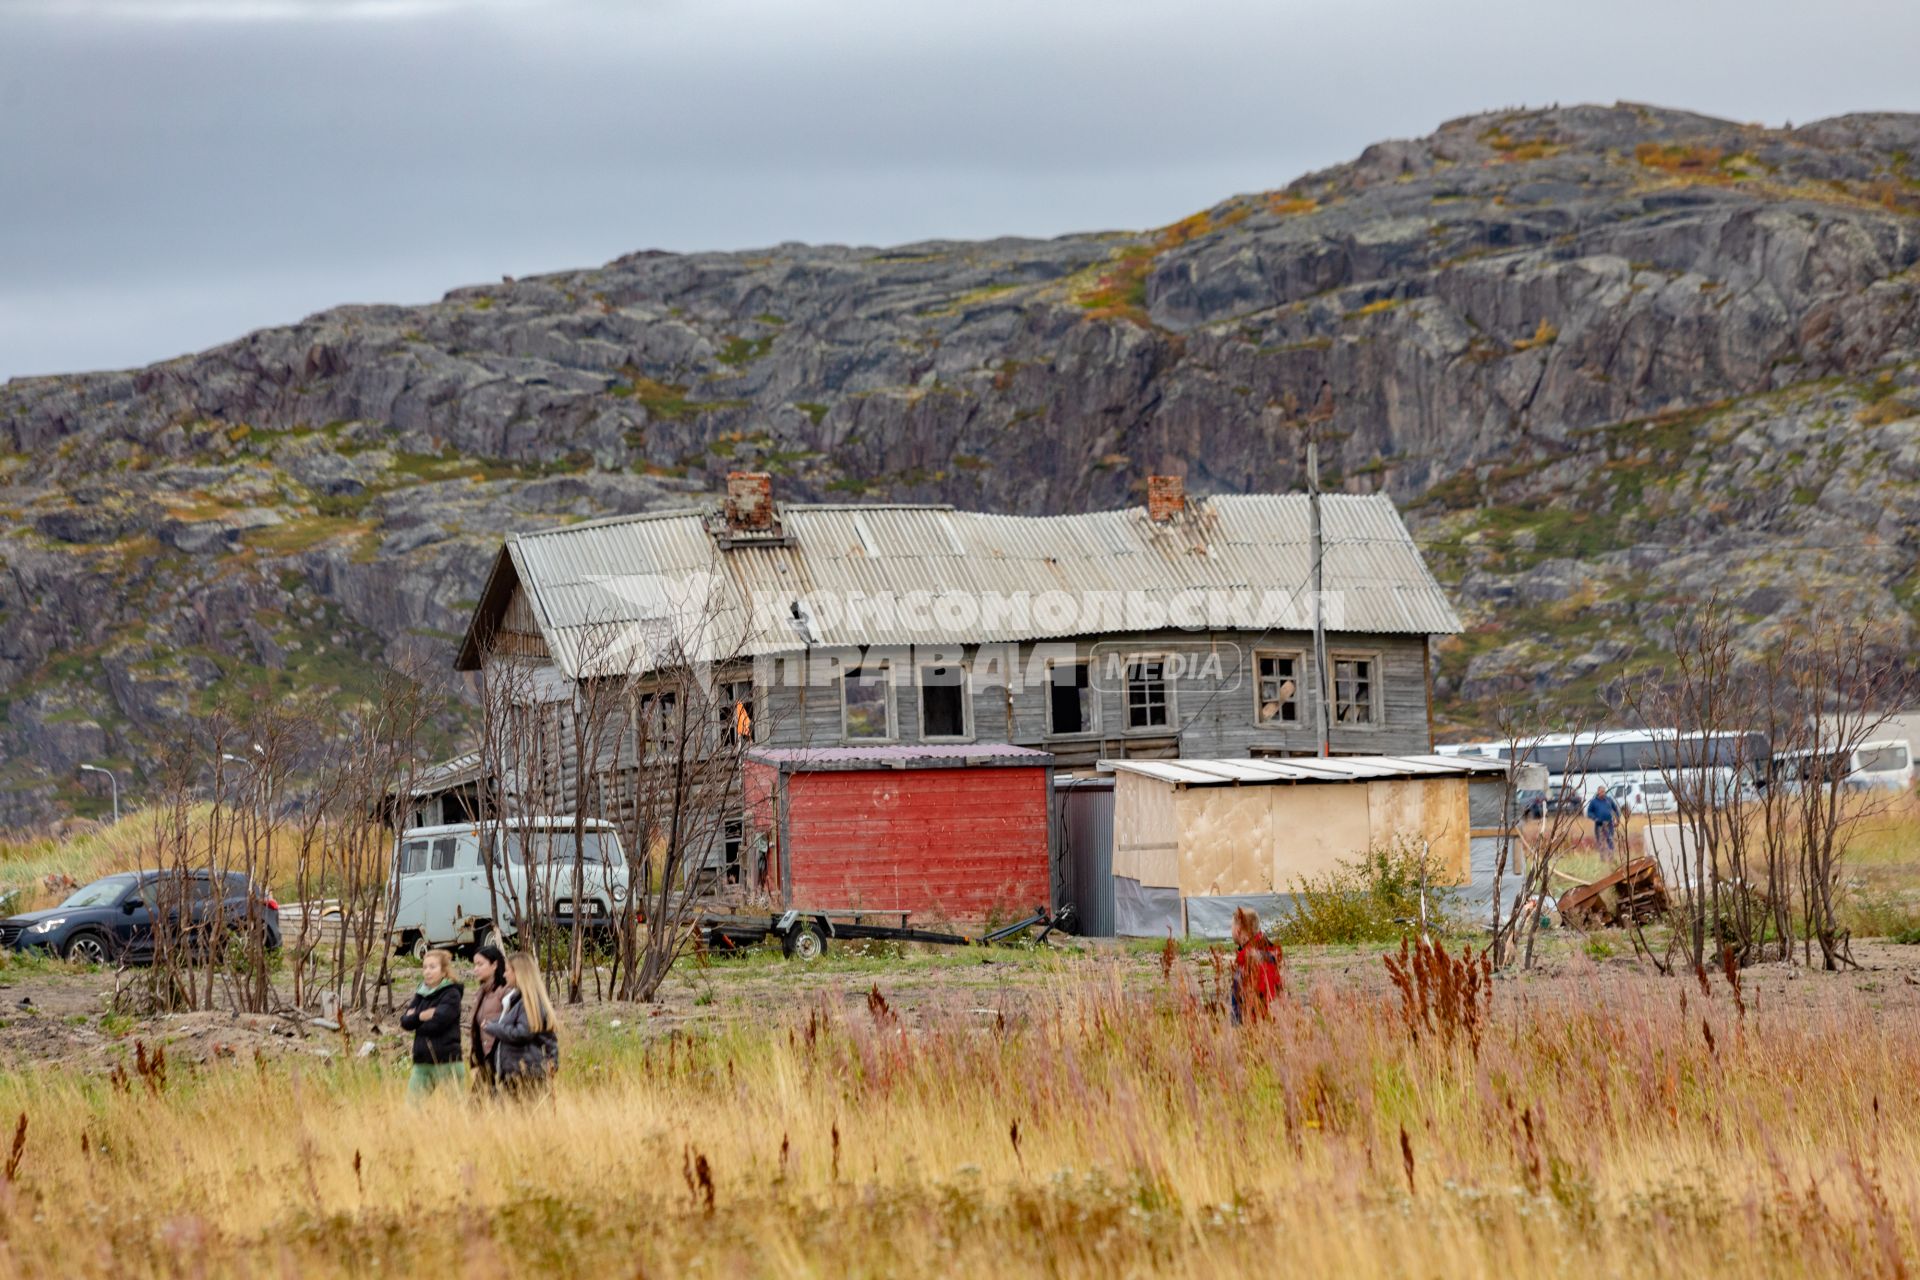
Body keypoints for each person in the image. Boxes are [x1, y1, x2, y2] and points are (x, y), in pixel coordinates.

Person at [483, 951, 558, 1096]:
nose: (504, 975)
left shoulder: (529, 1002)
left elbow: (522, 1033)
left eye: (507, 970)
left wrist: (493, 1027)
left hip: (525, 1077)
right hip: (517, 1075)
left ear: (519, 973)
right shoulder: (519, 1000)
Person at [399, 948, 466, 1098]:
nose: (427, 972)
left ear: (444, 971)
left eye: (432, 967)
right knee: (412, 1111)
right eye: (425, 967)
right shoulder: (421, 994)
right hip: (422, 1061)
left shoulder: (451, 993)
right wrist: (422, 1016)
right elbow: (405, 1022)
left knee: (455, 1112)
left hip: (447, 1062)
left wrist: (416, 1017)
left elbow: (438, 1022)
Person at [1229, 907, 1282, 1025]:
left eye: (1231, 927)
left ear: (1238, 930)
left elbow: (1255, 998)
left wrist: (1241, 1026)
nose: (1231, 931)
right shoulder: (1267, 950)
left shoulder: (1250, 957)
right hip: (1268, 1023)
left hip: (1254, 1027)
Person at [467, 943, 508, 1093]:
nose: (475, 969)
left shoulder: (505, 991)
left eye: (480, 964)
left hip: (499, 1057)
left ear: (494, 965)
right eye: (474, 964)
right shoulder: (481, 994)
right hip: (484, 1058)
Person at [1586, 786, 1620, 852]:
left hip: (1609, 823)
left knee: (1610, 838)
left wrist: (1617, 819)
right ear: (1598, 792)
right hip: (1599, 824)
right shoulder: (1594, 801)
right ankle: (1602, 854)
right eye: (1601, 792)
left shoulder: (1609, 800)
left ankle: (1611, 853)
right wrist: (1594, 818)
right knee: (1600, 840)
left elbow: (1615, 809)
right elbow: (1589, 812)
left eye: (1604, 792)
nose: (1603, 793)